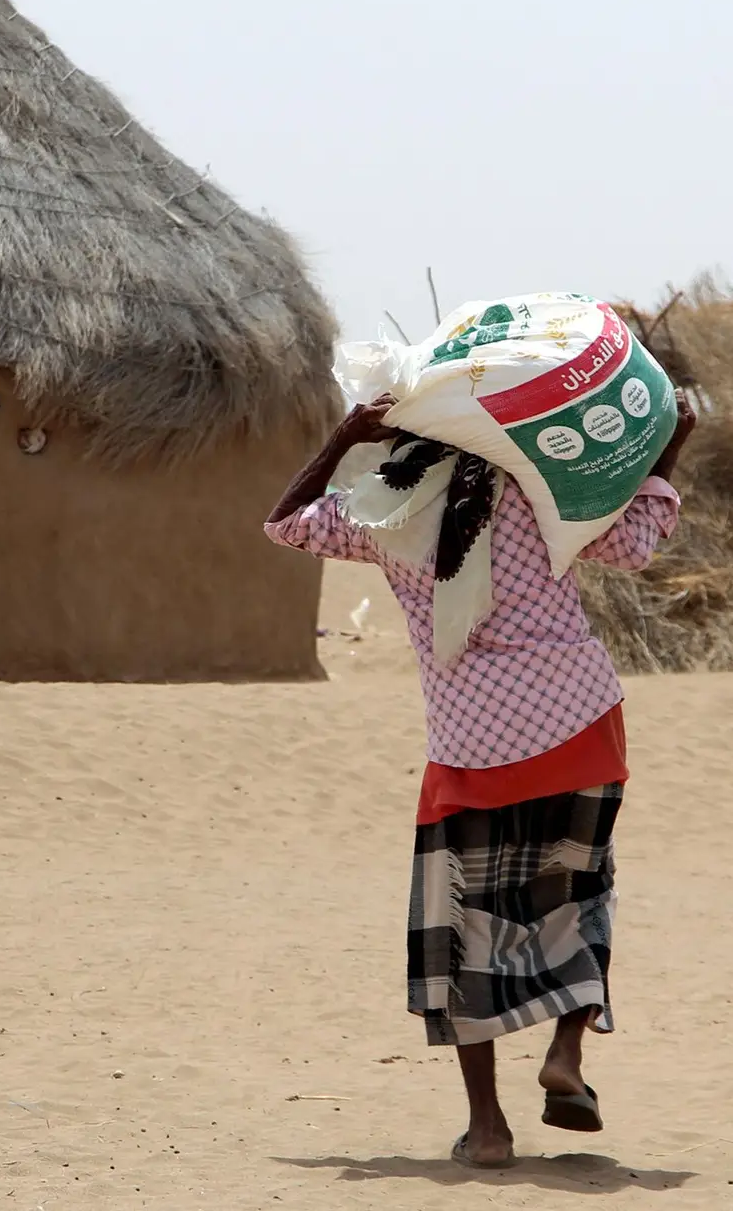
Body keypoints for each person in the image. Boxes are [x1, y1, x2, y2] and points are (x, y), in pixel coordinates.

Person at [264, 390, 696, 1169]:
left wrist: (347, 436)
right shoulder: (544, 489)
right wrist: (666, 450)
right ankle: (566, 1049)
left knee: (465, 927)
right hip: (579, 724)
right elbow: (637, 540)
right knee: (579, 891)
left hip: (473, 743)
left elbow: (286, 522)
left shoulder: (385, 510)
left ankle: (489, 1128)